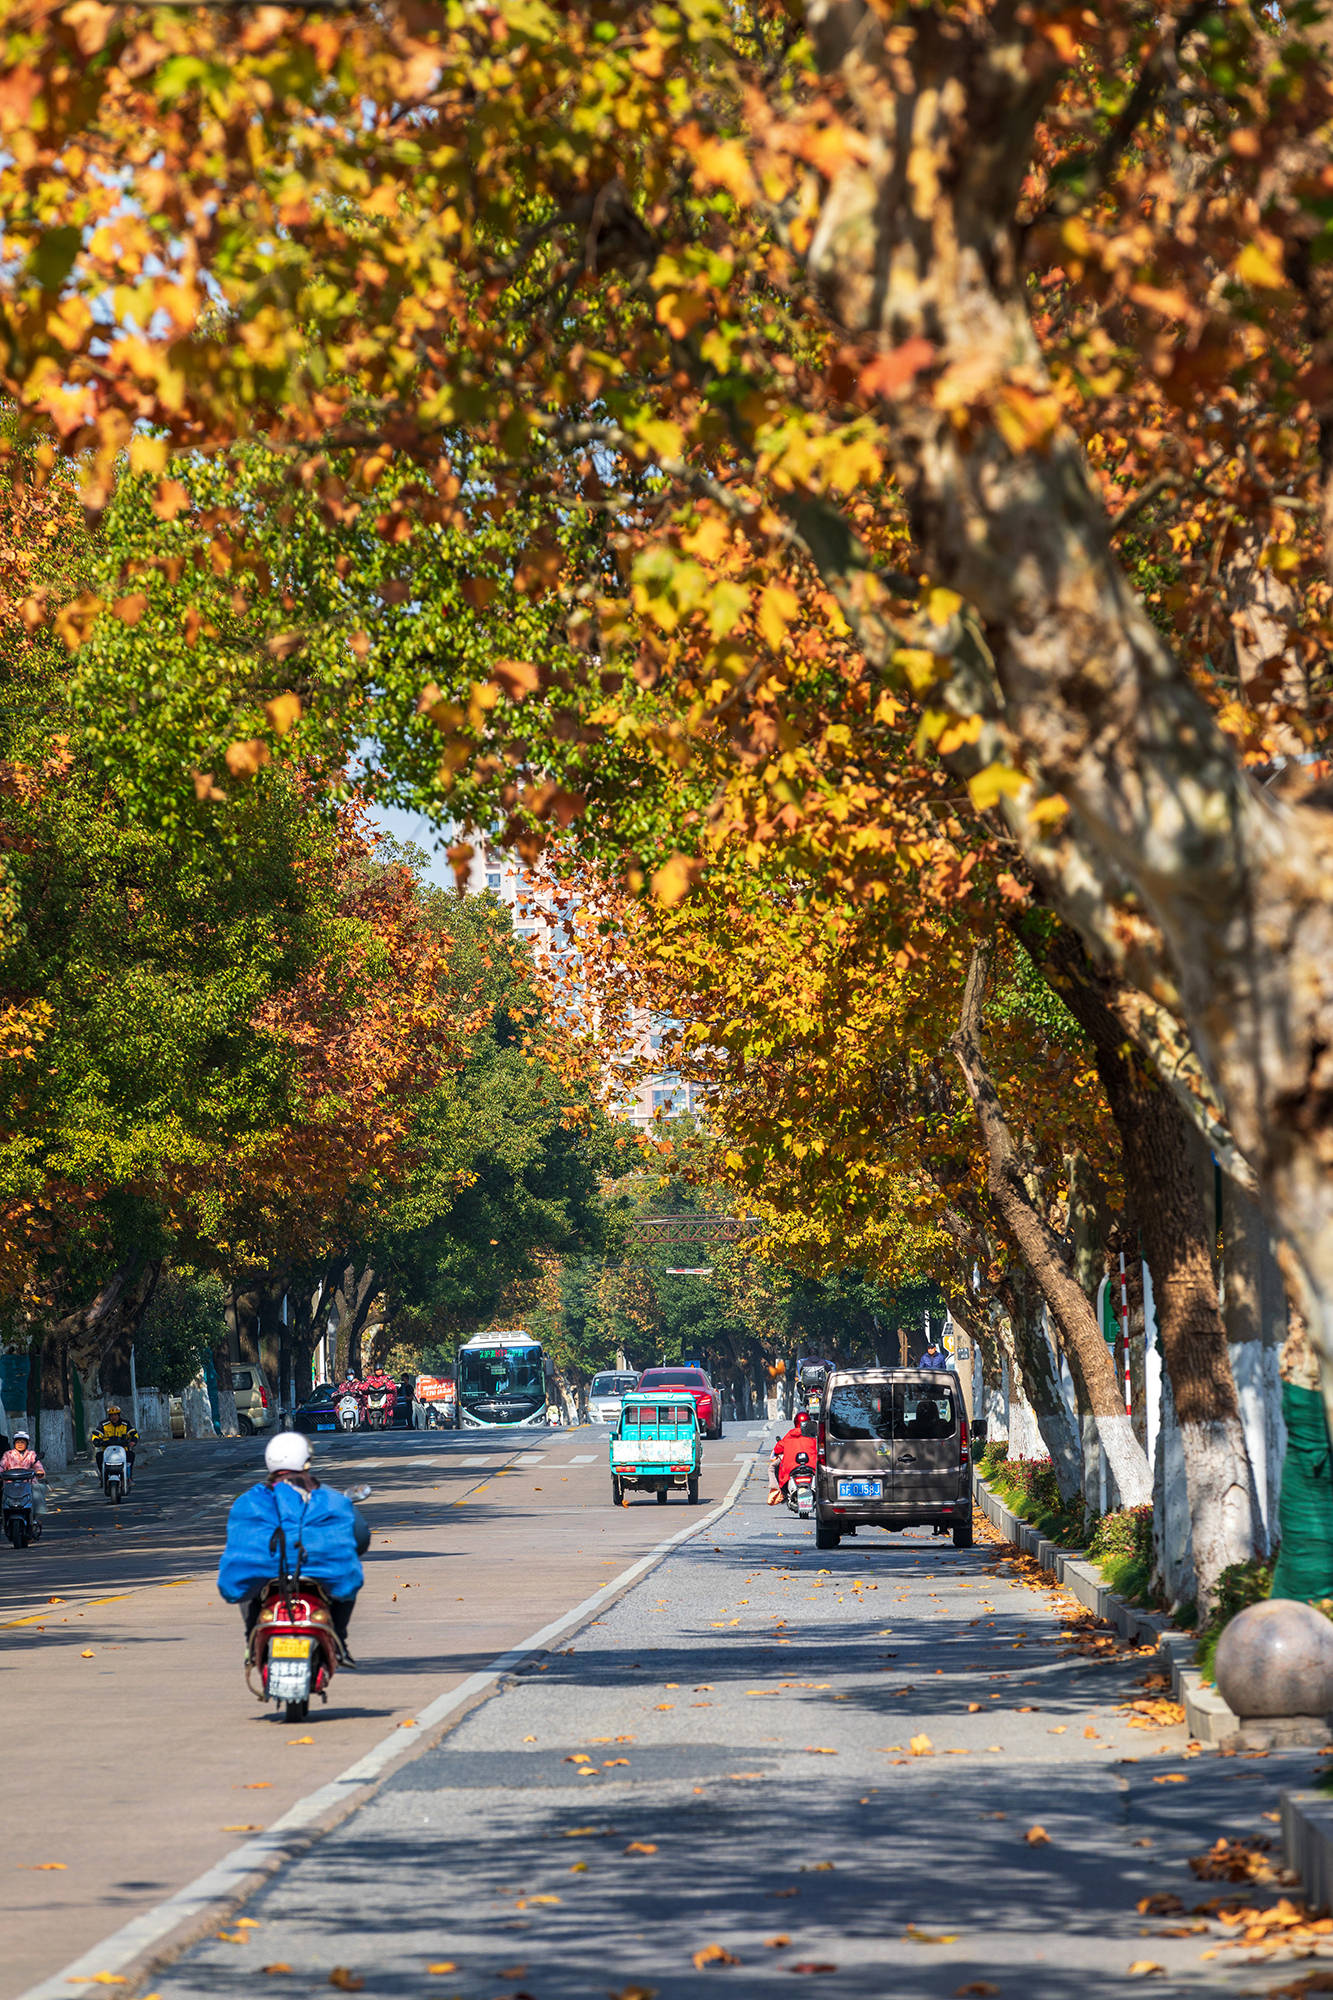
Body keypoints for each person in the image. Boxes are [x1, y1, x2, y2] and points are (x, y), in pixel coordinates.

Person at [218, 1431, 369, 1663]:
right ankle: (340, 1642)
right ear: (306, 1461)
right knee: (345, 1582)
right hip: (315, 1575)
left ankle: (252, 1643)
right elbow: (359, 1536)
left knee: (249, 1584)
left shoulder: (251, 1500)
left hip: (268, 1576)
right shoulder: (325, 1496)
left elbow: (239, 1542)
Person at [768, 1412, 819, 1504]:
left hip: (790, 1469)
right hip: (812, 1468)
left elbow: (777, 1450)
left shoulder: (788, 1436)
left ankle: (778, 1493)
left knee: (772, 1468)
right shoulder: (814, 1437)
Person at [91, 1404, 139, 1482]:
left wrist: (133, 1440)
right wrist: (96, 1441)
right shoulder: (103, 1424)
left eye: (116, 1415)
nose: (114, 1417)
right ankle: (103, 1476)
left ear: (119, 1415)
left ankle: (129, 1476)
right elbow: (97, 1434)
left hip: (122, 1451)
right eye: (111, 1415)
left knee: (131, 1455)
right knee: (99, 1456)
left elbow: (133, 1433)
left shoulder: (125, 1424)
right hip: (107, 1451)